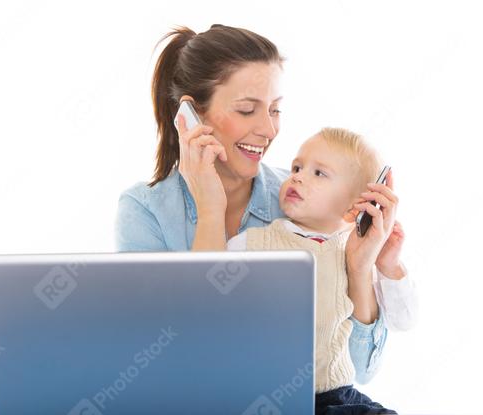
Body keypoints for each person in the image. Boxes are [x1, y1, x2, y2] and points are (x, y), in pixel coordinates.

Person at [115, 23, 401, 405]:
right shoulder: (145, 212)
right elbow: (180, 359)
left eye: (276, 110)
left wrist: (360, 269)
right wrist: (211, 211)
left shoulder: (306, 201)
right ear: (190, 114)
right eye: (247, 110)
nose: (268, 129)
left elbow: (359, 371)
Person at [225, 127, 418, 413]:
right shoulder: (251, 244)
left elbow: (405, 320)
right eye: (297, 167)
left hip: (336, 396)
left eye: (319, 173)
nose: (297, 176)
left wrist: (388, 264)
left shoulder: (359, 250)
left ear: (357, 205)